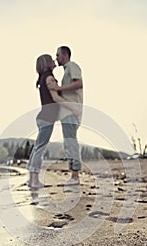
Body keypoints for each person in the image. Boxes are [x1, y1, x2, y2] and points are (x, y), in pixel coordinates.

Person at [27, 54, 80, 188]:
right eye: (51, 59)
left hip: (44, 117)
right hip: (47, 118)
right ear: (47, 63)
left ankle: (31, 179)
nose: (54, 60)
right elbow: (56, 98)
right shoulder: (49, 78)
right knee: (40, 147)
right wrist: (73, 107)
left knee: (38, 147)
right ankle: (34, 180)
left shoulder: (43, 78)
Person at [47, 46, 83, 186]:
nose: (56, 58)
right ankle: (74, 175)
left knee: (70, 141)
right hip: (68, 111)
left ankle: (75, 176)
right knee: (69, 141)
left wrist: (58, 88)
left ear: (65, 55)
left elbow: (79, 83)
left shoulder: (72, 66)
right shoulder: (66, 71)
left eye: (58, 55)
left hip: (71, 110)